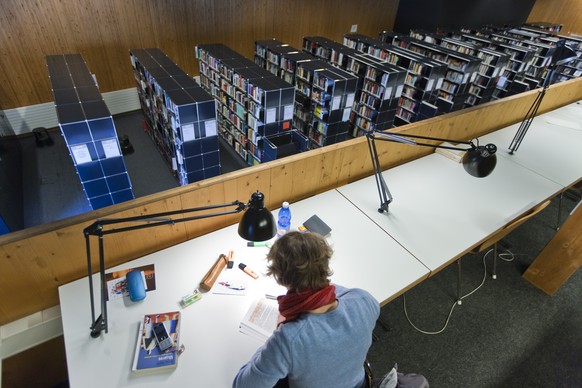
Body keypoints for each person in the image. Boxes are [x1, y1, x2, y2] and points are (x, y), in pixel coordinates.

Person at [233, 231, 380, 388]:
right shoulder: (365, 301)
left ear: (279, 277)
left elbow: (242, 385)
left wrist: (271, 346)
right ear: (326, 265)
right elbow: (334, 290)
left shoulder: (287, 340)